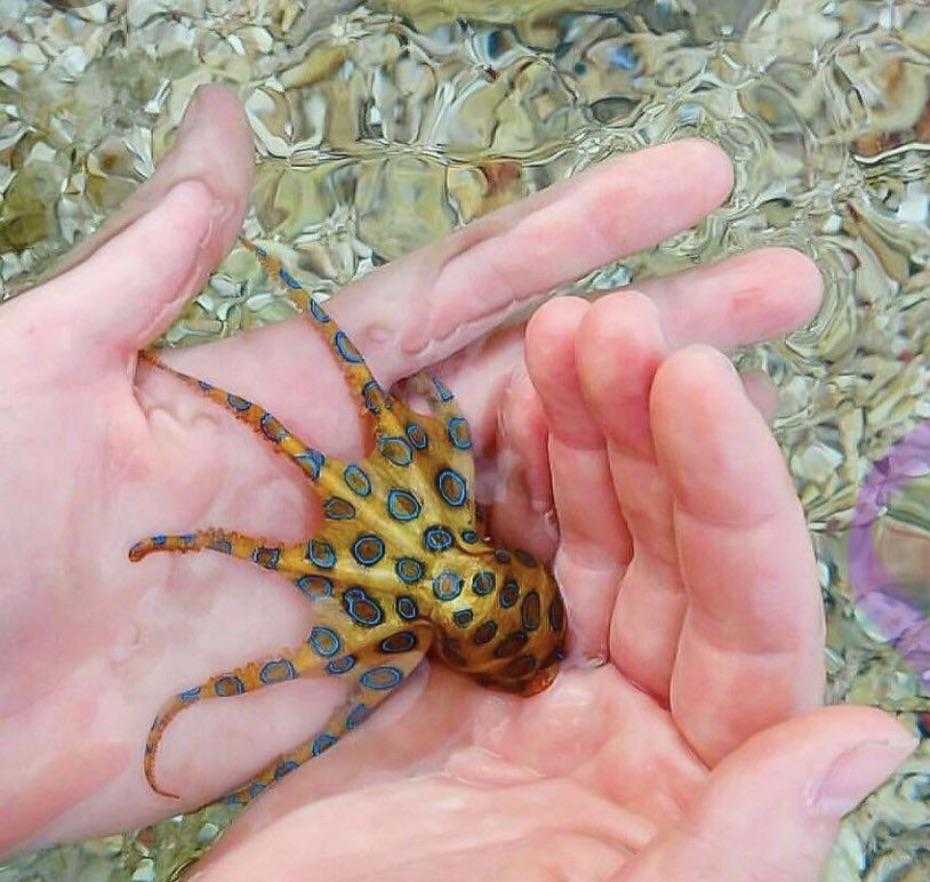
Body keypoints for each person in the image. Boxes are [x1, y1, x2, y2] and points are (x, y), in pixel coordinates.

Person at [0, 85, 916, 881]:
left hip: (498, 618)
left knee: (323, 431)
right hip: (469, 596)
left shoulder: (393, 624)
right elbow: (313, 634)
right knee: (340, 421)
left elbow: (305, 648)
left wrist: (183, 648)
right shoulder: (395, 612)